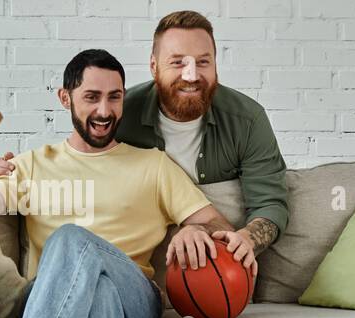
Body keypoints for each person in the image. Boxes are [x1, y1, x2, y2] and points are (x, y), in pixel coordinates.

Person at [0, 49, 252, 318]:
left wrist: (196, 229)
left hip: (136, 298)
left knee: (71, 239)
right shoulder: (31, 165)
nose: (104, 111)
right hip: (46, 298)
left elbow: (219, 224)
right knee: (97, 295)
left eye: (114, 97)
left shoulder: (152, 165)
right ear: (65, 98)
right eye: (91, 97)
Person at [119, 10, 290, 268]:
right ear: (153, 65)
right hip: (139, 271)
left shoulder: (248, 119)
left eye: (203, 62)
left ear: (216, 64)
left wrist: (246, 239)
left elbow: (271, 205)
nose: (191, 75)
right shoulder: (119, 117)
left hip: (219, 272)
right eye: (177, 62)